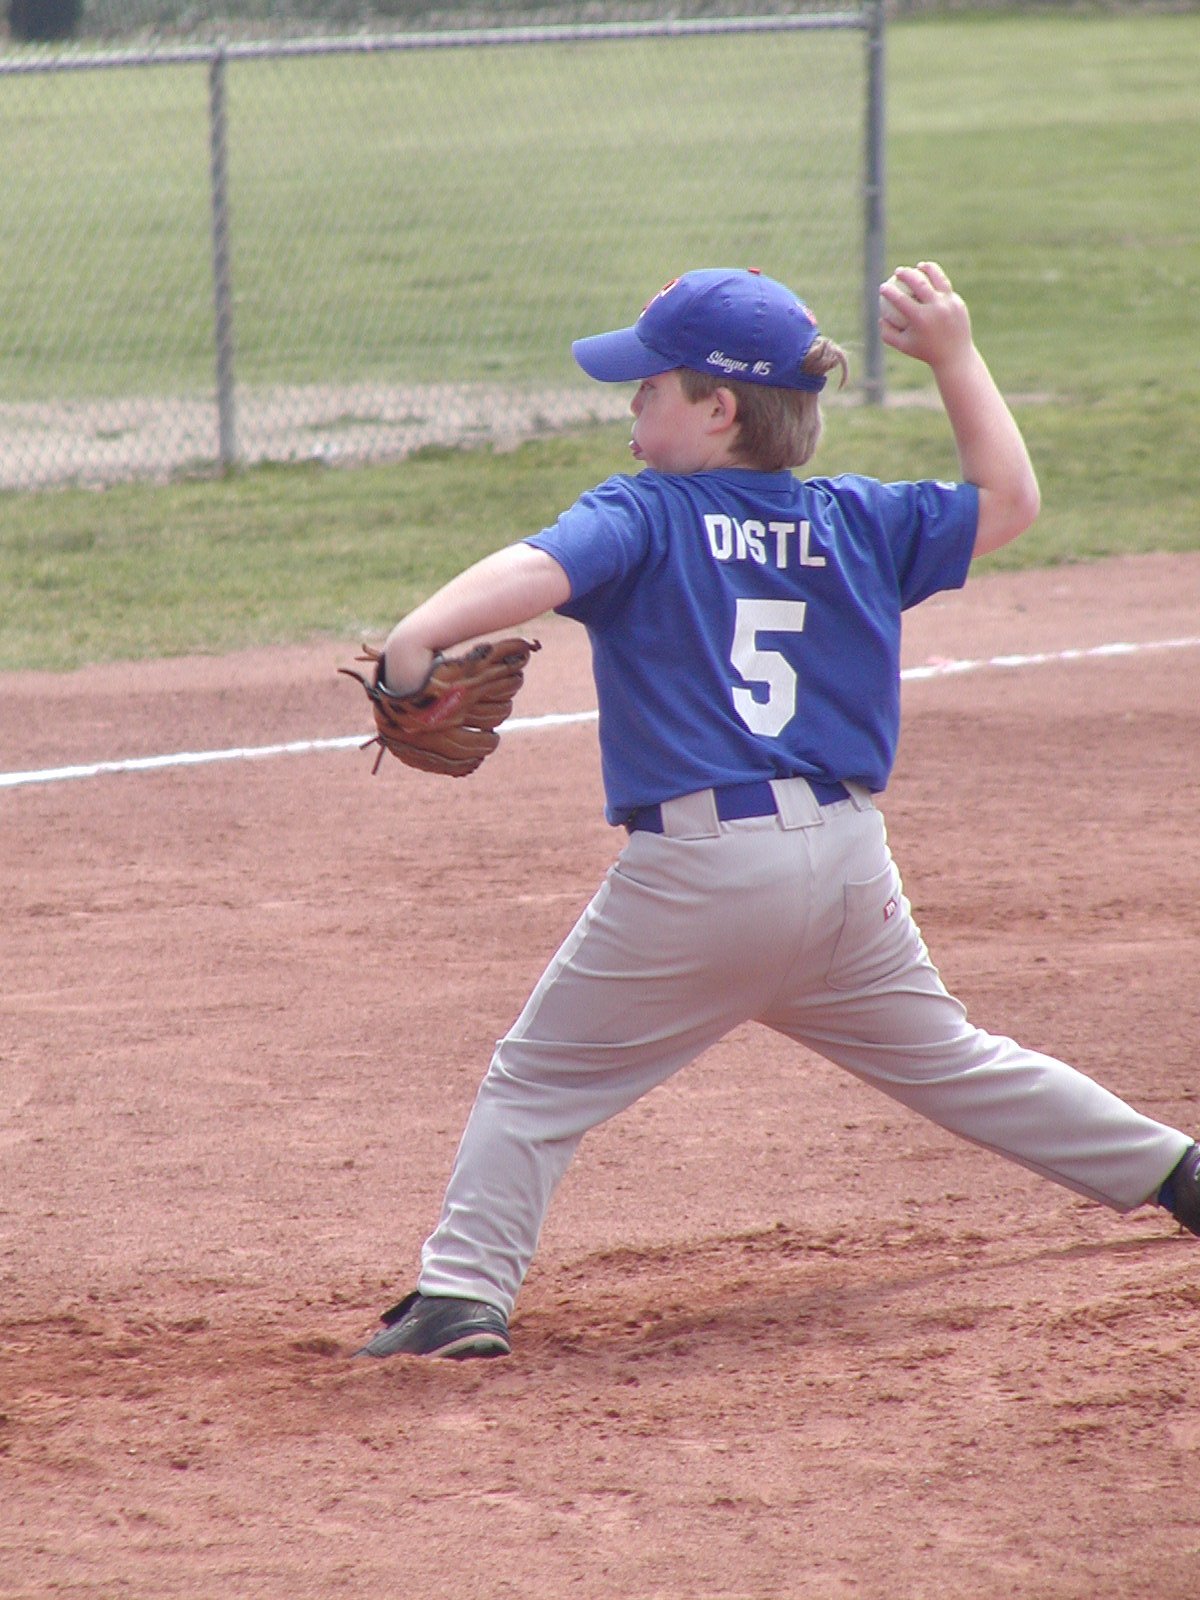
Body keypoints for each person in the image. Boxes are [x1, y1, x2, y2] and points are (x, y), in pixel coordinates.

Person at [355, 261, 1200, 1361]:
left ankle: (461, 1298)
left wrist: (416, 637)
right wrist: (953, 357)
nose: (631, 404)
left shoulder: (646, 512)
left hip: (700, 875)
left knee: (539, 1082)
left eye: (649, 386)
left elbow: (537, 570)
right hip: (848, 867)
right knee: (956, 1059)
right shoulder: (856, 518)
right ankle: (1178, 1171)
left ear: (718, 409)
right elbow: (1009, 503)